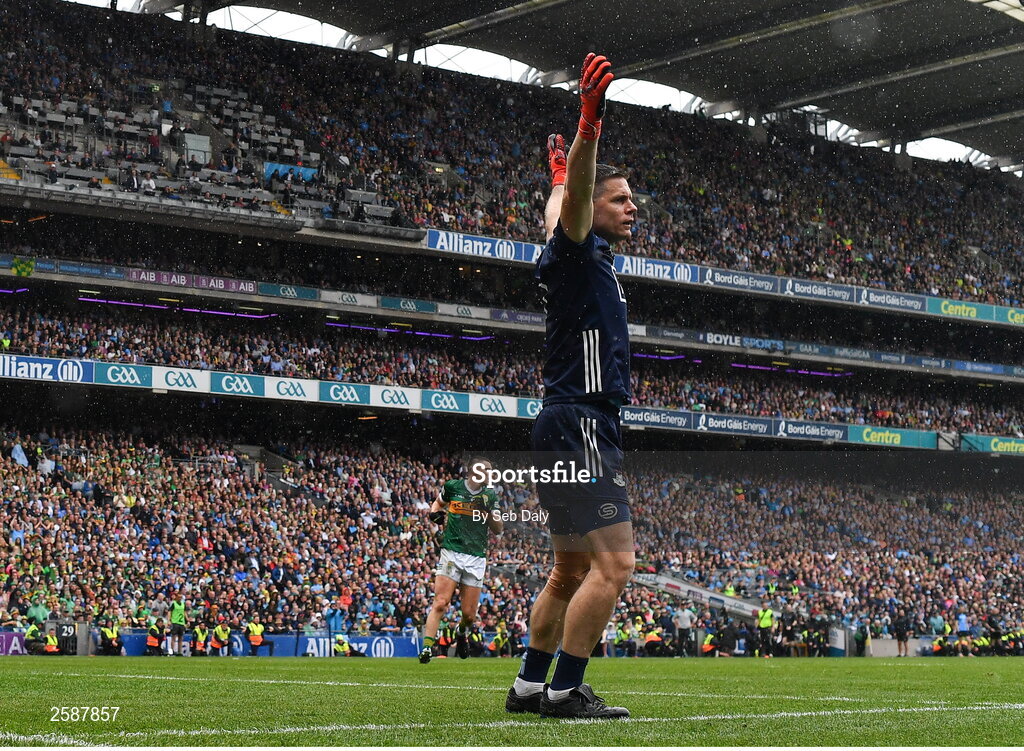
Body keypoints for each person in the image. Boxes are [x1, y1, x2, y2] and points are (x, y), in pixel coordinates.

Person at [506, 52, 635, 720]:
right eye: (622, 198)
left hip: (560, 418)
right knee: (615, 568)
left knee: (570, 569)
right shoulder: (581, 248)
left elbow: (562, 204)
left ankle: (530, 681)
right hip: (583, 421)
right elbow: (576, 202)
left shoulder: (569, 249)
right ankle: (565, 689)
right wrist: (588, 126)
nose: (631, 205)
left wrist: (557, 176)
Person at [418, 457, 502, 664]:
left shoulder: (490, 495)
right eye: (487, 470)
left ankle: (461, 632)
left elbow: (499, 528)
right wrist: (434, 513)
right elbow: (437, 503)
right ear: (474, 471)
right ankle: (427, 648)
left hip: (476, 557)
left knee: (469, 616)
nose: (491, 474)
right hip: (451, 552)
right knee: (441, 602)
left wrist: (487, 511)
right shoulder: (453, 487)